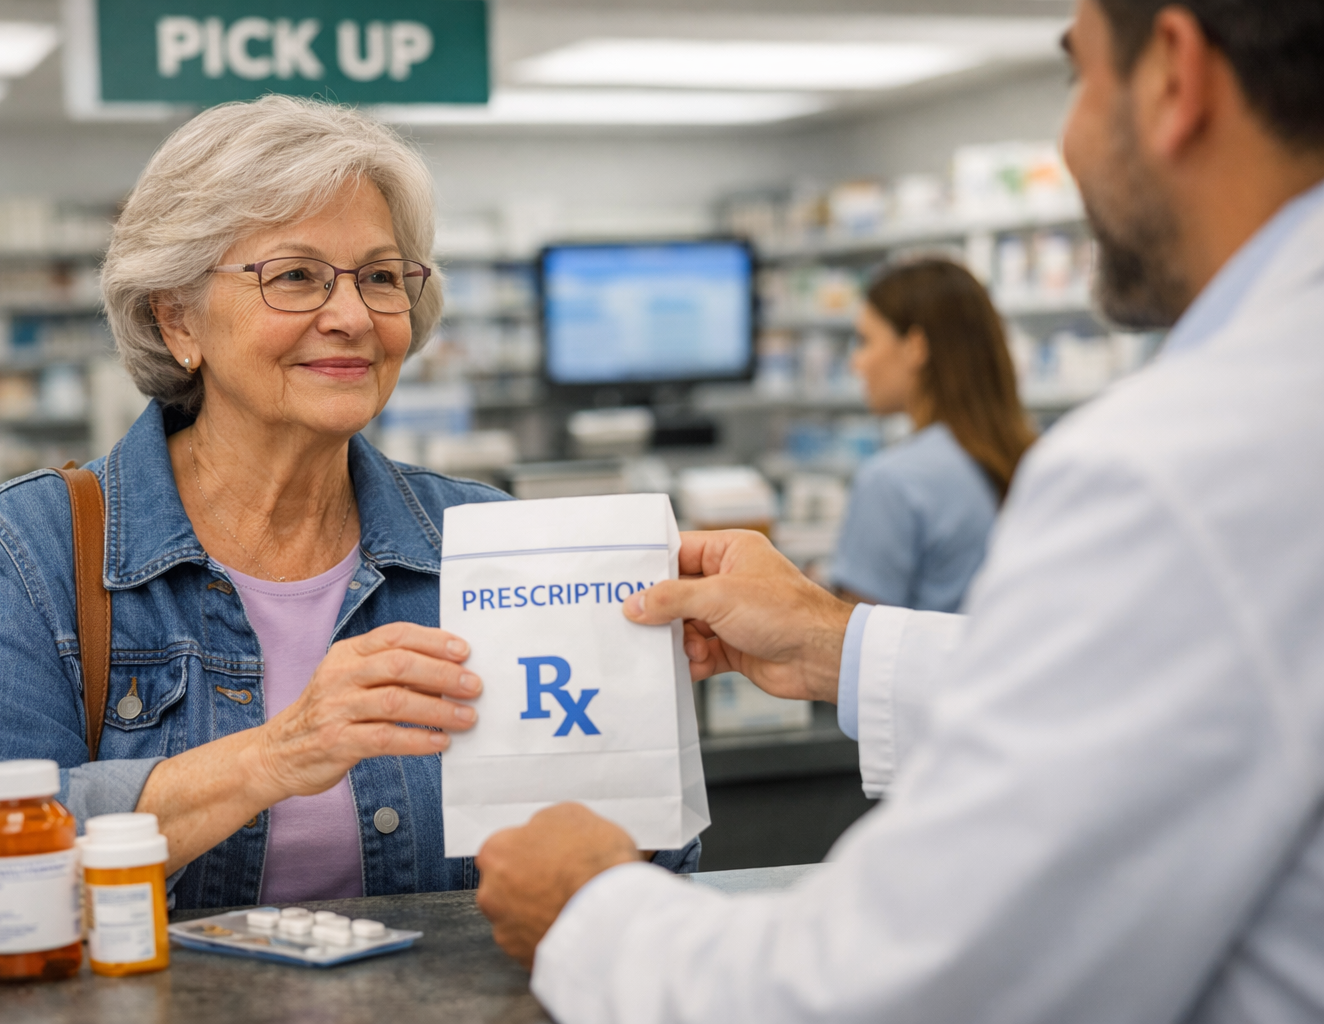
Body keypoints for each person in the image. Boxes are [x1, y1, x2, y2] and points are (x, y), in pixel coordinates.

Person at [475, 1, 1324, 1020]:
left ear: (1173, 77)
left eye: (1078, 77)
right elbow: (1195, 698)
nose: (1071, 137)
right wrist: (839, 642)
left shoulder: (1187, 460)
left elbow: (896, 991)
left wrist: (587, 907)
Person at [0, 95, 700, 910]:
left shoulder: (484, 541)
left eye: (381, 277)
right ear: (177, 319)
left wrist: (640, 711)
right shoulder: (41, 546)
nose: (351, 316)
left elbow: (652, 859)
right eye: (297, 277)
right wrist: (273, 756)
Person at [829, 258, 1035, 613]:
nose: (856, 362)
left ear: (915, 347)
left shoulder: (892, 482)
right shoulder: (1027, 457)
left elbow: (845, 647)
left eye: (865, 341)